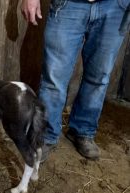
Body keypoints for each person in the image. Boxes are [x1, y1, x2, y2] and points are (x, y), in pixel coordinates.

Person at [21, 0, 130, 161]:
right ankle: (46, 135)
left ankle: (82, 130)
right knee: (54, 78)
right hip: (68, 4)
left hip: (115, 6)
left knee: (99, 77)